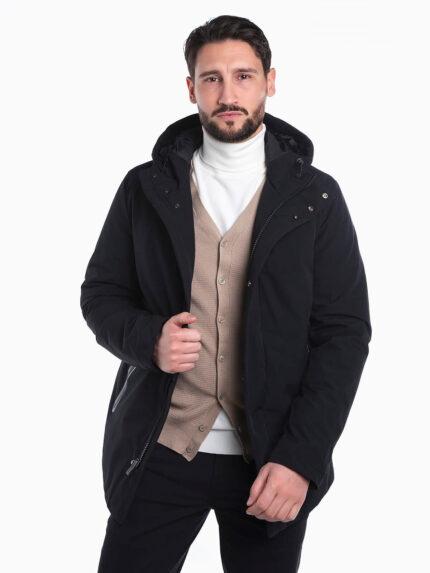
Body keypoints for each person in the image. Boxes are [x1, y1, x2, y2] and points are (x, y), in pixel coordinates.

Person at [80, 14, 372, 573]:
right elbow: (101, 293)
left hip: (271, 460)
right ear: (191, 88)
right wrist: (149, 340)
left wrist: (301, 458)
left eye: (244, 76)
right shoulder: (145, 187)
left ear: (270, 82)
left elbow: (344, 335)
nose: (228, 94)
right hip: (160, 450)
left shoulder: (317, 197)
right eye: (212, 79)